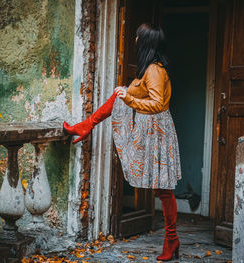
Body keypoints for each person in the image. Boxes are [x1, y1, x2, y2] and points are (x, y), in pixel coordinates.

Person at [63, 23, 182, 261]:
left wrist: (127, 97)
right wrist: (125, 93)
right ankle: (86, 125)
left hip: (157, 132)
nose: (135, 40)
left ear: (146, 42)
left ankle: (171, 239)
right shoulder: (146, 70)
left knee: (164, 190)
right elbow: (134, 97)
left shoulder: (155, 71)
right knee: (116, 97)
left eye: (138, 37)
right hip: (148, 127)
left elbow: (158, 104)